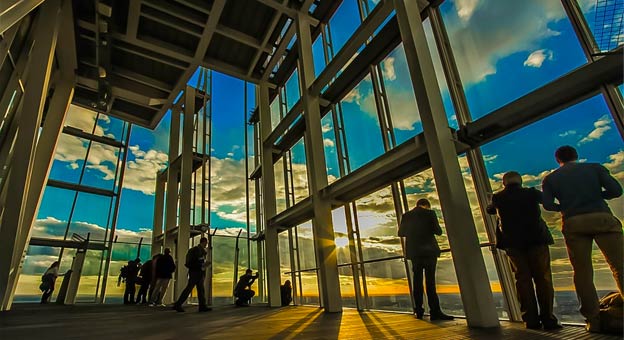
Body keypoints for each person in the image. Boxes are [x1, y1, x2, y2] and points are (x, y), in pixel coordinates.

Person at [542, 145, 623, 333]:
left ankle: (593, 320)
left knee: (582, 272)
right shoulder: (594, 169)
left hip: (573, 222)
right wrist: (598, 195)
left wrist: (565, 206)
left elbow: (547, 204)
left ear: (557, 160)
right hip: (601, 216)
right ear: (576, 156)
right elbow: (616, 191)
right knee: (619, 266)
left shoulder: (551, 179)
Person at [486, 171, 561, 330]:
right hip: (537, 240)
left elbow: (490, 210)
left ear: (504, 183)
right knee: (543, 279)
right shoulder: (531, 193)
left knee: (522, 280)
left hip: (512, 244)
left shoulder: (498, 198)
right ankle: (548, 319)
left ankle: (530, 319)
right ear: (520, 182)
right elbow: (547, 201)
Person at [398, 198, 453, 321]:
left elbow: (401, 233)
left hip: (415, 253)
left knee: (417, 281)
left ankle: (419, 310)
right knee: (430, 282)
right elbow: (438, 231)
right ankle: (435, 311)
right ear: (426, 205)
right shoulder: (429, 214)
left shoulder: (407, 215)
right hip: (429, 252)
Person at [173, 237, 211, 312]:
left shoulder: (198, 251)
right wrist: (201, 265)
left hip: (196, 272)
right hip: (196, 272)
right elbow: (192, 262)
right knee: (191, 289)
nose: (207, 244)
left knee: (199, 289)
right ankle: (178, 304)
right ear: (204, 242)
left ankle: (202, 306)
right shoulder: (197, 251)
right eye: (206, 242)